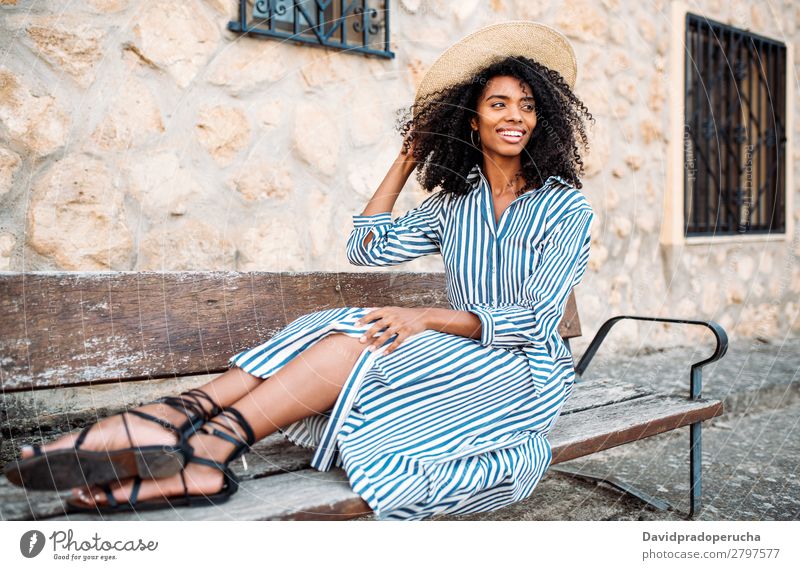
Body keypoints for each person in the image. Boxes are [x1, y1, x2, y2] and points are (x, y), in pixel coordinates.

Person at [4, 20, 596, 521]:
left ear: (542, 121)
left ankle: (186, 429)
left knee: (360, 334)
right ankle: (192, 434)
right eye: (498, 104)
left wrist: (423, 317)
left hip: (522, 372)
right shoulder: (455, 205)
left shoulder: (564, 207)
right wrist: (407, 155)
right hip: (453, 352)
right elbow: (366, 248)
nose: (514, 116)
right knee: (354, 328)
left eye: (527, 106)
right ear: (473, 120)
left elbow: (538, 319)